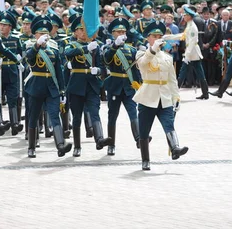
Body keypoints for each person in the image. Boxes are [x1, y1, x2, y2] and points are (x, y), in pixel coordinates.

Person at [133, 20, 188, 171]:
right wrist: (152, 50)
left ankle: (175, 147)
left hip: (164, 98)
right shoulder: (141, 53)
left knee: (169, 124)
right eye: (154, 36)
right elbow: (143, 64)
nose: (157, 38)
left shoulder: (167, 57)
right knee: (144, 130)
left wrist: (176, 97)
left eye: (159, 35)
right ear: (147, 38)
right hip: (148, 97)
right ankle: (145, 160)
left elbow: (172, 80)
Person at [64, 14, 112, 156]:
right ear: (75, 32)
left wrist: (99, 70)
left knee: (94, 112)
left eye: (85, 29)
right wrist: (85, 49)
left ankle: (99, 139)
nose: (84, 32)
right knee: (77, 117)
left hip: (92, 85)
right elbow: (68, 53)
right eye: (80, 29)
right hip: (76, 85)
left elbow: (103, 66)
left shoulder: (96, 46)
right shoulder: (71, 44)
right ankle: (77, 146)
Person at [24, 17, 72, 157]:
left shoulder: (54, 50)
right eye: (40, 34)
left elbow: (59, 72)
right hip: (36, 87)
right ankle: (31, 147)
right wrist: (37, 45)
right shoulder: (31, 48)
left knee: (54, 116)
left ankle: (60, 145)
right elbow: (29, 58)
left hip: (51, 88)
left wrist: (62, 90)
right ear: (35, 35)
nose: (43, 36)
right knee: (33, 117)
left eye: (45, 34)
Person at [102, 18, 142, 155]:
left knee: (133, 112)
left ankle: (139, 139)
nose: (121, 34)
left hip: (129, 87)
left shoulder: (131, 49)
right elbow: (107, 60)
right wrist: (114, 46)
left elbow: (135, 70)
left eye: (123, 32)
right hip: (115, 86)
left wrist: (140, 85)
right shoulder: (108, 48)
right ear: (113, 33)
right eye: (118, 32)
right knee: (113, 115)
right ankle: (111, 144)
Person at [165, 7, 209, 99]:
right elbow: (183, 36)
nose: (184, 16)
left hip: (192, 53)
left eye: (185, 15)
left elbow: (192, 43)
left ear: (189, 16)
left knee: (183, 72)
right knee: (199, 73)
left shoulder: (192, 26)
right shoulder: (189, 25)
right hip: (192, 53)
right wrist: (168, 37)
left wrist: (187, 56)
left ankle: (174, 93)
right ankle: (205, 94)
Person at [0, 12, 24, 135]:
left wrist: (20, 60)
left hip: (12, 72)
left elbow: (21, 53)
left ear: (10, 27)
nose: (2, 27)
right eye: (1, 24)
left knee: (12, 99)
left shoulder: (16, 38)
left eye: (5, 25)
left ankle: (14, 124)